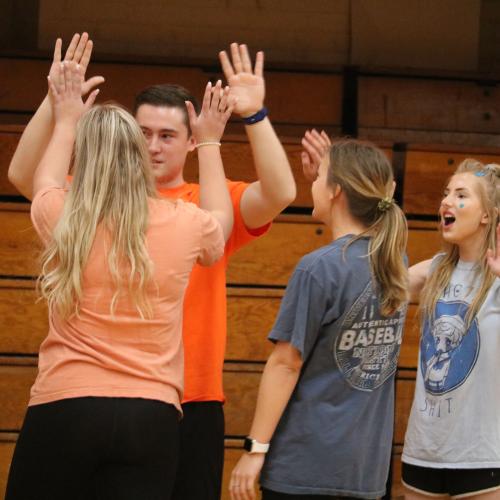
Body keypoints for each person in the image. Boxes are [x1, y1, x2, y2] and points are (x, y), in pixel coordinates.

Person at [8, 36, 296, 499]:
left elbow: (281, 192)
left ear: (188, 141)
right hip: (152, 405)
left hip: (192, 397)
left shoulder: (202, 201)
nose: (154, 147)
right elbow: (24, 176)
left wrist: (256, 116)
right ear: (127, 136)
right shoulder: (100, 202)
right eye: (142, 134)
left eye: (167, 136)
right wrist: (213, 139)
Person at [229, 138, 409, 500]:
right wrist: (328, 177)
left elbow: (285, 364)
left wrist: (255, 449)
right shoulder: (394, 261)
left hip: (305, 466)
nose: (311, 182)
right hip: (364, 471)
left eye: (318, 178)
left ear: (336, 191)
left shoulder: (319, 268)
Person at [401, 160, 500, 499]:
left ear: (486, 214)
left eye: (460, 195)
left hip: (482, 459)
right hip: (422, 454)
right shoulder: (437, 269)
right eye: (445, 193)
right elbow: (382, 287)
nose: (446, 201)